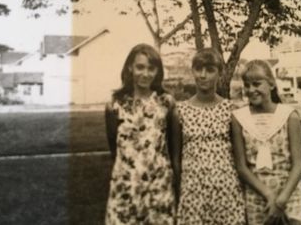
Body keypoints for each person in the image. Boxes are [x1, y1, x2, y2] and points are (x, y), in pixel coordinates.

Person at [104, 43, 182, 225]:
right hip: (125, 186)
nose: (145, 74)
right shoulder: (115, 105)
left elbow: (172, 149)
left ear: (158, 72)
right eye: (140, 67)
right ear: (130, 67)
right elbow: (114, 149)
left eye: (151, 68)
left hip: (159, 186)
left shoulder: (166, 103)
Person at [231, 60, 301, 225]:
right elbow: (241, 167)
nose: (251, 90)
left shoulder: (289, 116)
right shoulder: (239, 118)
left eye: (257, 84)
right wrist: (269, 195)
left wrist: (280, 201)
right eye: (247, 85)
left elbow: (298, 164)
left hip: (288, 194)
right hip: (257, 194)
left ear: (271, 84)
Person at [175, 48, 246, 225]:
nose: (203, 75)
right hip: (192, 194)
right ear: (192, 71)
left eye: (210, 70)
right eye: (198, 69)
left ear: (220, 73)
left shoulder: (231, 110)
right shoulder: (180, 110)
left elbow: (240, 159)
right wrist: (178, 192)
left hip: (226, 192)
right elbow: (175, 159)